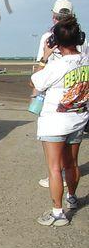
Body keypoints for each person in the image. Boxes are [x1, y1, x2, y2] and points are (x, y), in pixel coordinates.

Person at [31, 16, 89, 227]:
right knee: (72, 163)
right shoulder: (85, 60)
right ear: (79, 38)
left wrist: (44, 58)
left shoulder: (56, 66)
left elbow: (35, 83)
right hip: (78, 119)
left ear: (55, 42)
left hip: (55, 122)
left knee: (54, 169)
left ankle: (58, 213)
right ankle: (72, 198)